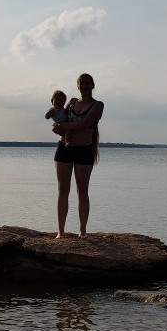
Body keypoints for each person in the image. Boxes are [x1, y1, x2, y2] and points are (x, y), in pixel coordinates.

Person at [51, 73, 104, 238]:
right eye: (81, 83)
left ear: (93, 85)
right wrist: (57, 126)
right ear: (77, 85)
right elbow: (62, 117)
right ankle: (61, 231)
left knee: (82, 191)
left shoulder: (98, 105)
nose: (84, 86)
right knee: (63, 190)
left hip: (84, 150)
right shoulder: (73, 101)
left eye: (87, 83)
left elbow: (84, 124)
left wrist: (63, 126)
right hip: (64, 149)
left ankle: (82, 231)